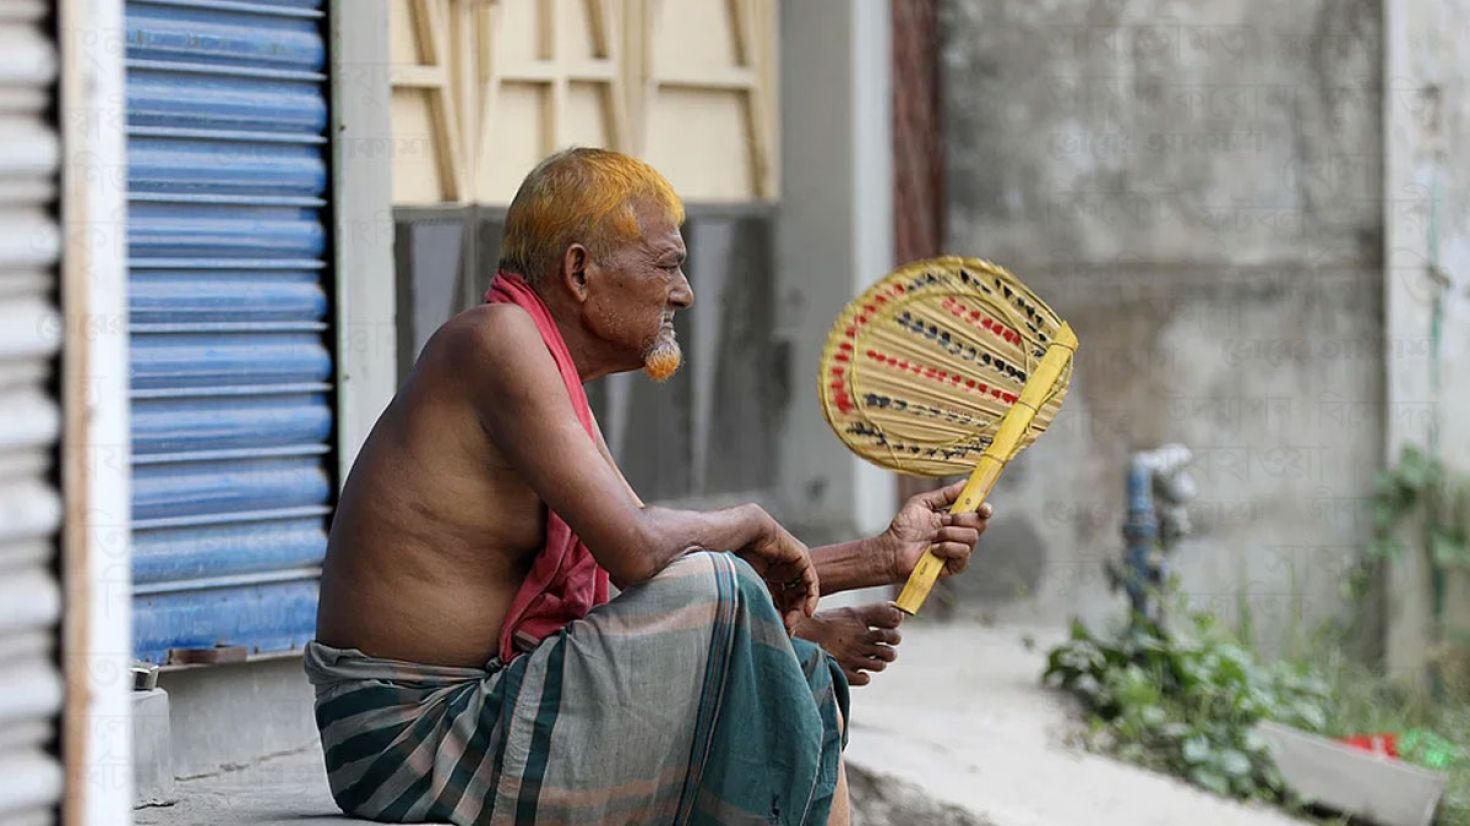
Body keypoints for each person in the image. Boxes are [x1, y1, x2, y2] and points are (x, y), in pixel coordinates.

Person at [307, 147, 991, 825]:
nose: (685, 293)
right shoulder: (497, 341)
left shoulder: (544, 368)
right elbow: (646, 556)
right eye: (667, 265)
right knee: (724, 599)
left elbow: (647, 574)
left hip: (473, 716)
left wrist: (881, 558)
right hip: (408, 744)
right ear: (580, 270)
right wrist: (753, 525)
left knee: (792, 666)